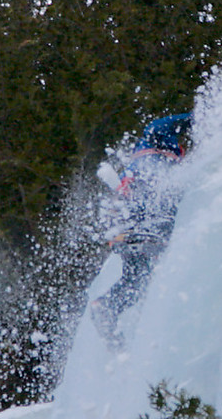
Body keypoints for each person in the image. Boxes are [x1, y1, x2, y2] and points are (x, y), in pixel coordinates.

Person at [91, 113, 192, 350]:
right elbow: (172, 123)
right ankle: (146, 232)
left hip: (130, 229)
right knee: (158, 201)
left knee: (136, 280)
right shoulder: (155, 145)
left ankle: (107, 307)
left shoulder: (137, 164)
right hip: (144, 224)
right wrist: (202, 115)